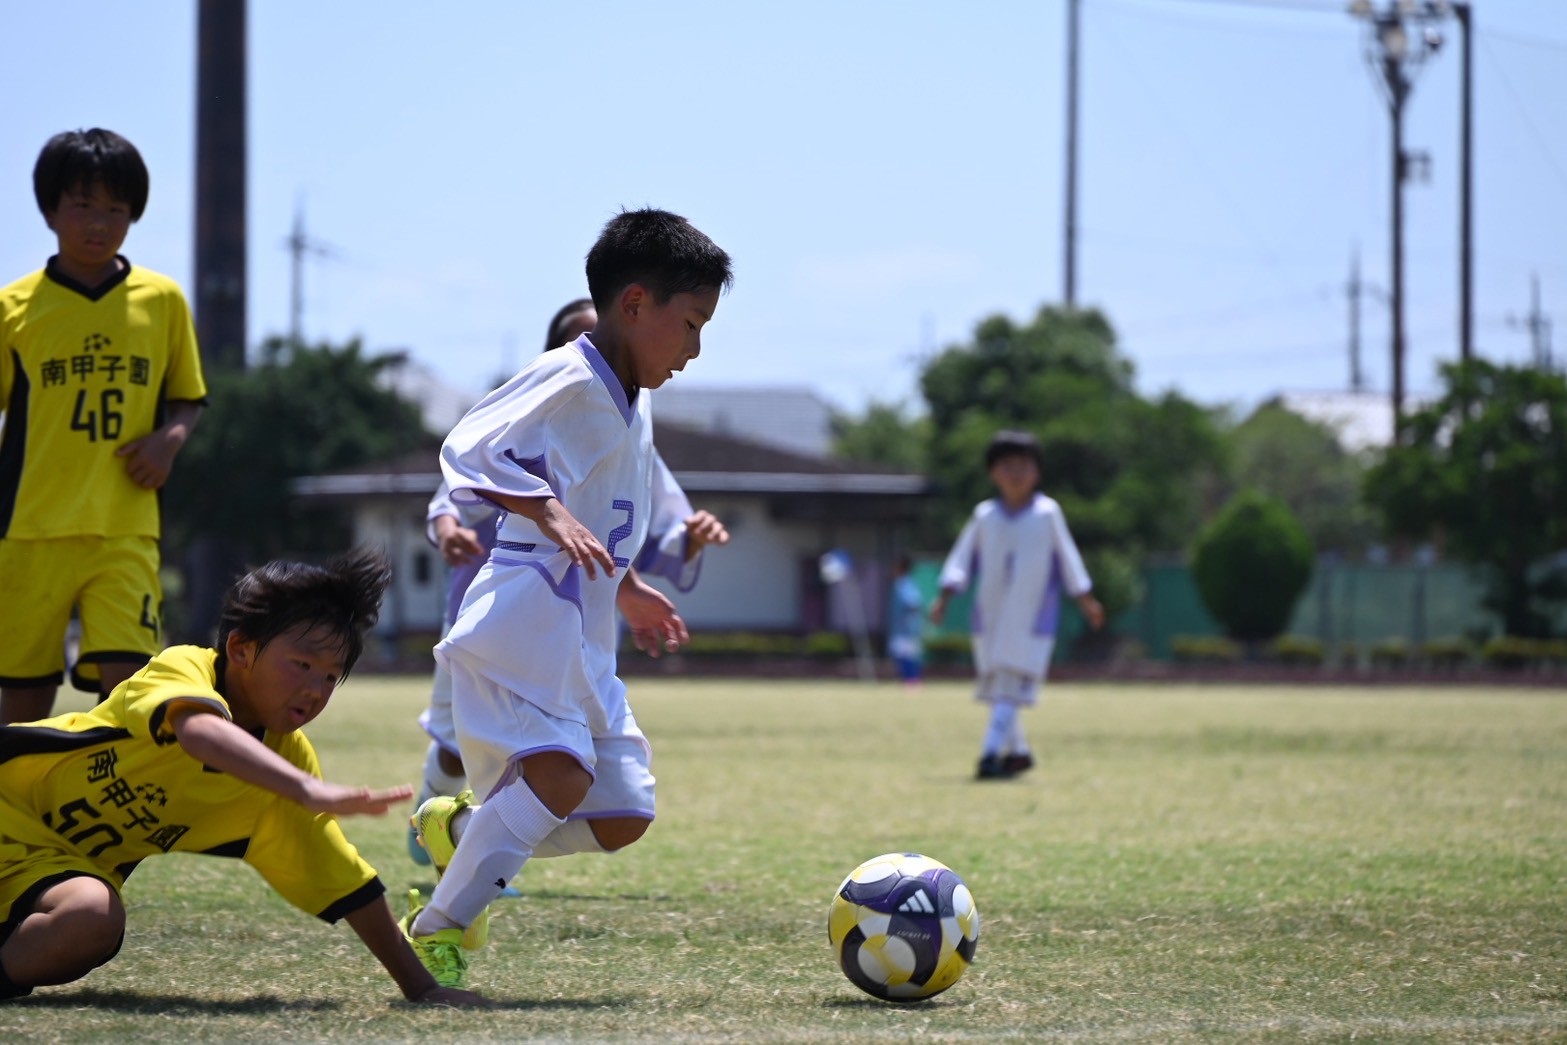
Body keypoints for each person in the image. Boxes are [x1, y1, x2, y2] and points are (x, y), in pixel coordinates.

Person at [398, 208, 732, 988]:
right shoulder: (571, 374)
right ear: (635, 303)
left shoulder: (633, 399)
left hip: (586, 634)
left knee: (621, 814)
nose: (694, 348)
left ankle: (466, 831)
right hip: (526, 619)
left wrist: (631, 585)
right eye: (691, 324)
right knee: (559, 777)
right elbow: (469, 445)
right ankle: (438, 927)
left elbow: (611, 518)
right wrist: (547, 511)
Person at [0, 548, 483, 1006]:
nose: (315, 690)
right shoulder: (184, 668)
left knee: (92, 919)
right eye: (302, 665)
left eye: (330, 677)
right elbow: (200, 732)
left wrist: (422, 989)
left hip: (47, 872)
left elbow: (346, 881)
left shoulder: (284, 762)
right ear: (241, 649)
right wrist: (306, 789)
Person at [0, 128, 208, 725]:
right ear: (49, 211)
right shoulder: (15, 308)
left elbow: (188, 399)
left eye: (116, 209)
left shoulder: (162, 300)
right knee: (24, 700)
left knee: (128, 696)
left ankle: (107, 789)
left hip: (126, 528)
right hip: (29, 530)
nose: (99, 222)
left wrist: (169, 441)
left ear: (134, 215)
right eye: (82, 205)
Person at [928, 430, 1106, 780]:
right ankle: (1019, 752)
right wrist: (945, 596)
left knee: (1010, 683)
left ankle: (989, 754)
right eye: (1007, 465)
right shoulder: (985, 516)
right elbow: (962, 558)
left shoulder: (1047, 513)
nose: (1016, 473)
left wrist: (1086, 599)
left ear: (1037, 472)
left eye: (1024, 465)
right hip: (990, 615)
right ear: (992, 472)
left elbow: (1068, 558)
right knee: (1000, 686)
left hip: (1031, 616)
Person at [886, 553, 926, 687]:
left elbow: (914, 603)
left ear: (900, 568)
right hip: (902, 629)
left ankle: (912, 681)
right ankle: (908, 681)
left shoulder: (905, 584)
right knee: (902, 656)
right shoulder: (900, 584)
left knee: (907, 655)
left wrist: (910, 620)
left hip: (907, 629)